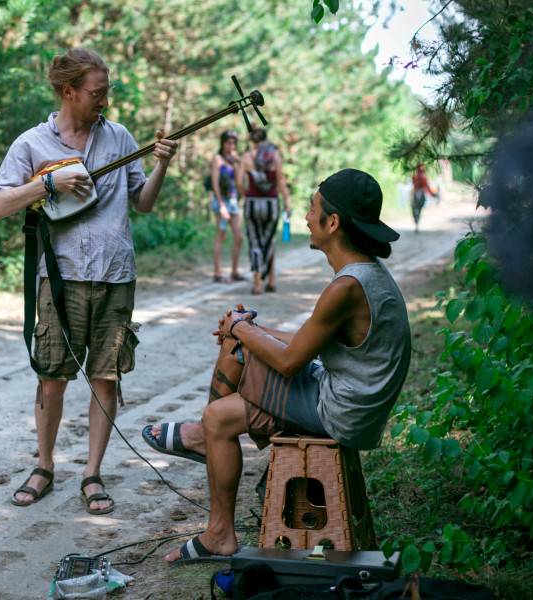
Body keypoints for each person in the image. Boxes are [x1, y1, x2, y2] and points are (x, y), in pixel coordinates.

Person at [142, 169, 411, 563]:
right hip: (350, 401)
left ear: (332, 222)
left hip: (341, 411)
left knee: (236, 354)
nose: (304, 216)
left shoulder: (346, 287)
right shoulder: (366, 276)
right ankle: (209, 433)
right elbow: (305, 342)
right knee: (226, 396)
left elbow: (288, 361)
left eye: (312, 207)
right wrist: (251, 327)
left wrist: (239, 329)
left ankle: (209, 467)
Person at [0, 48, 178, 515]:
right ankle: (45, 466)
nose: (104, 100)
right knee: (52, 377)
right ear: (69, 92)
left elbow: (144, 203)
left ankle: (92, 474)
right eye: (97, 92)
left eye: (106, 90)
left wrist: (162, 165)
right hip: (60, 277)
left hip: (115, 275)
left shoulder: (119, 138)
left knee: (106, 378)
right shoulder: (33, 144)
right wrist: (48, 185)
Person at [237, 128, 291, 295]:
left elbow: (239, 182)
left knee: (255, 242)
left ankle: (257, 283)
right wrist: (287, 201)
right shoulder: (274, 154)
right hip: (271, 203)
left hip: (252, 204)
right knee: (268, 241)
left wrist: (246, 195)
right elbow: (281, 180)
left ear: (251, 139)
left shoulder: (246, 157)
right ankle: (271, 280)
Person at [209, 130, 244, 282]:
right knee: (221, 235)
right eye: (229, 142)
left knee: (239, 237)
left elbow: (239, 181)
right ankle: (217, 272)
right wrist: (221, 205)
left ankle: (234, 271)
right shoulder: (217, 159)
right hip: (221, 201)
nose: (231, 146)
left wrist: (238, 163)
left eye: (233, 143)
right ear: (223, 143)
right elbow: (215, 183)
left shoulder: (234, 160)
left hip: (233, 201)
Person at [411, 163, 439, 232]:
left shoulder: (417, 176)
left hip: (417, 192)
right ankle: (417, 221)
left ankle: (416, 221)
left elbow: (426, 187)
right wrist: (433, 194)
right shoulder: (422, 176)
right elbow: (427, 187)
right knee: (418, 209)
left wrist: (432, 194)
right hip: (418, 192)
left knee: (415, 208)